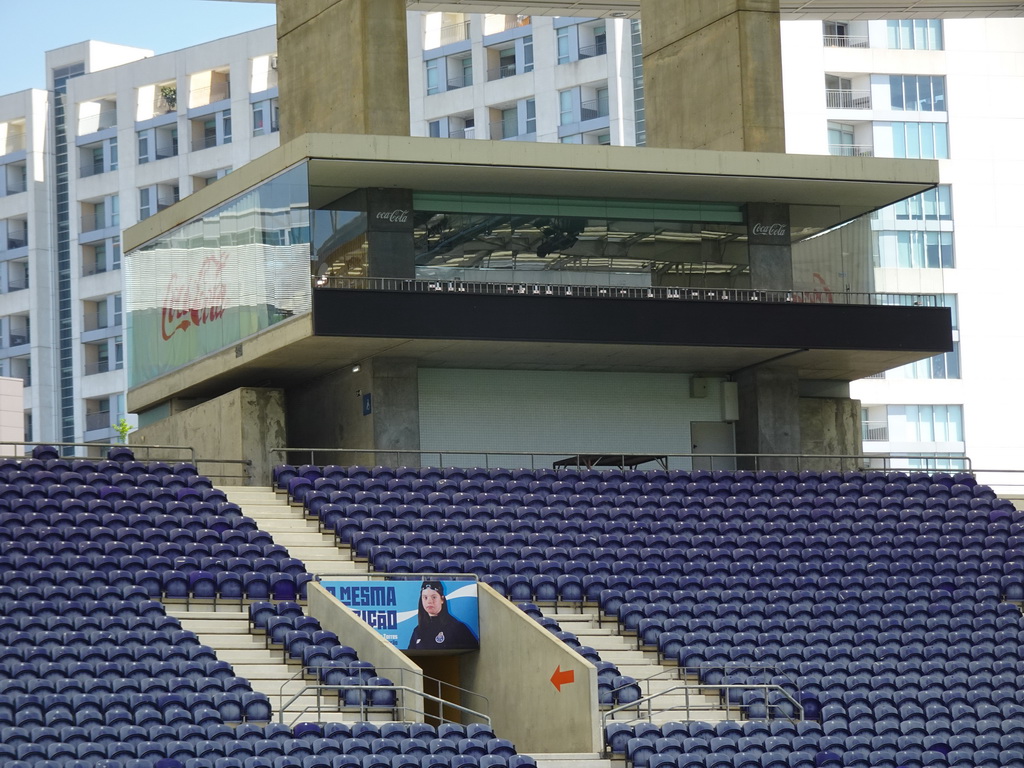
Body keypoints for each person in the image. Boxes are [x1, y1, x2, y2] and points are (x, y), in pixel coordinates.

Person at [407, 580, 478, 650]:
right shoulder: (418, 631)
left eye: (434, 597)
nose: (429, 601)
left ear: (442, 599)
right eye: (425, 597)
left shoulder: (457, 628)